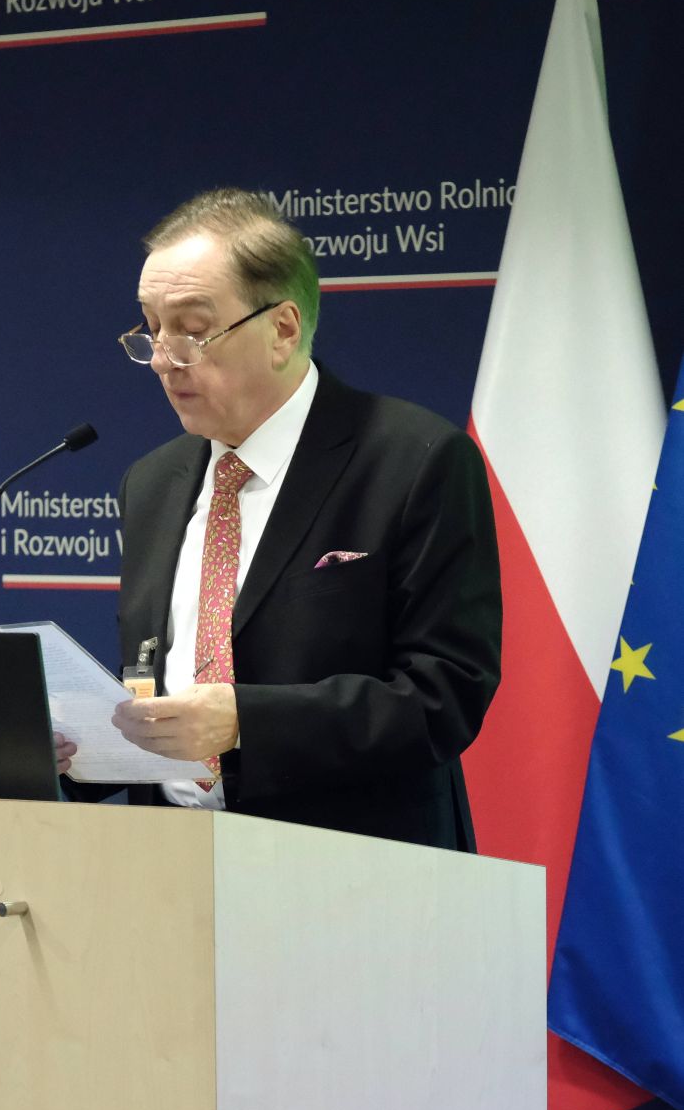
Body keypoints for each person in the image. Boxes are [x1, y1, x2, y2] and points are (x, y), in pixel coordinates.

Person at [57, 188, 501, 850]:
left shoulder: (414, 460)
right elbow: (154, 681)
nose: (164, 358)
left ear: (283, 330)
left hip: (352, 863)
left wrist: (246, 722)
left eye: (192, 329)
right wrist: (82, 751)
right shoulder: (151, 483)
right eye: (151, 328)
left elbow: (445, 694)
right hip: (169, 864)